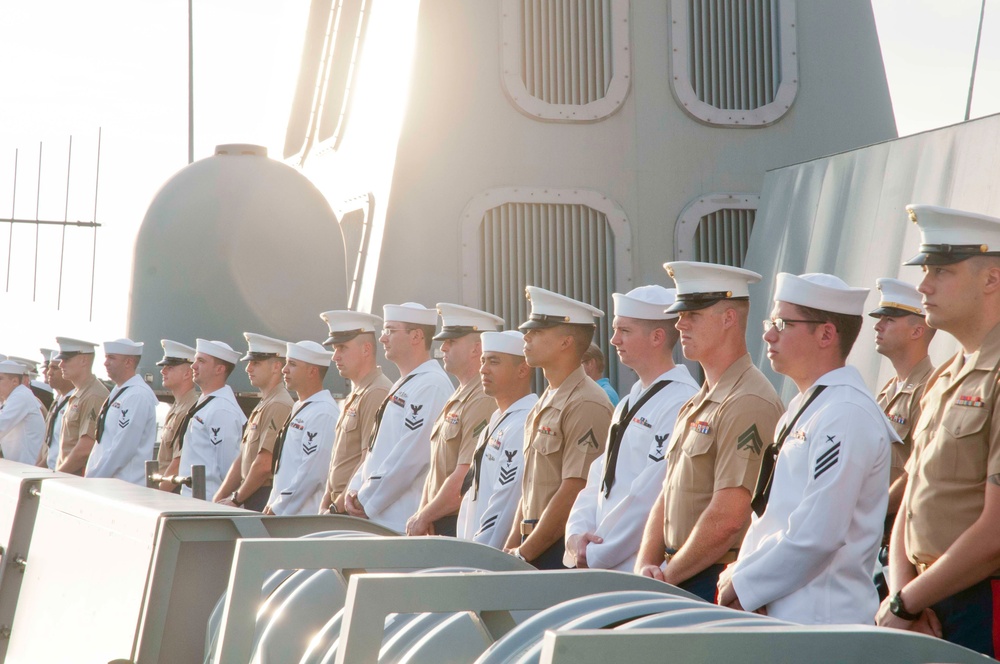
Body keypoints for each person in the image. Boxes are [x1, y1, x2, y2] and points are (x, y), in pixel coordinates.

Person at [717, 272, 895, 624]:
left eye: (783, 323)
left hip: (820, 621)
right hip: (784, 613)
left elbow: (818, 534)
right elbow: (776, 516)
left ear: (826, 334)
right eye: (771, 322)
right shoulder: (808, 408)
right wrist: (742, 572)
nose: (768, 333)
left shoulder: (845, 413)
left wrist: (744, 582)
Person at [876, 204, 1000, 658]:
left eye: (941, 271)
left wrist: (906, 602)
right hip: (923, 599)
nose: (923, 286)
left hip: (982, 602)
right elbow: (910, 505)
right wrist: (901, 596)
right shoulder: (945, 378)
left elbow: (996, 532)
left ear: (991, 279)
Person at [634, 262, 782, 601]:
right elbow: (668, 493)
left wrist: (665, 577)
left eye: (694, 315)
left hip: (712, 579)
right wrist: (646, 564)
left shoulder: (748, 401)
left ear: (729, 318)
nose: (679, 323)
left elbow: (730, 516)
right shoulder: (700, 400)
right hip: (680, 574)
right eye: (680, 314)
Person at [565, 286, 699, 572]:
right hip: (601, 558)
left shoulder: (681, 400)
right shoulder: (629, 400)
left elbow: (650, 495)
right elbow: (599, 475)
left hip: (633, 567)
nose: (614, 340)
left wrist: (597, 554)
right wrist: (576, 534)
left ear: (657, 337)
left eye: (624, 331)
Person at [502, 286, 613, 569]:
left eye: (537, 332)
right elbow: (530, 489)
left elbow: (574, 488)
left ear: (566, 342)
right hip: (534, 546)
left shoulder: (587, 402)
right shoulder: (548, 398)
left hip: (557, 550)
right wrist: (511, 547)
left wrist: (525, 553)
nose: (526, 337)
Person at [345, 303, 453, 532]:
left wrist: (365, 498)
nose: (383, 339)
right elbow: (377, 450)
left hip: (398, 519)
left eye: (391, 331)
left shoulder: (431, 385)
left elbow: (411, 456)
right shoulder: (406, 382)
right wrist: (354, 488)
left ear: (416, 336)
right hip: (379, 515)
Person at [406, 303, 502, 537]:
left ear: (476, 348)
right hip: (440, 520)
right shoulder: (460, 394)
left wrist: (425, 516)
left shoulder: (482, 398)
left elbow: (466, 474)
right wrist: (424, 514)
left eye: (452, 341)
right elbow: (436, 471)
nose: (444, 347)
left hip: (458, 521)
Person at [457, 330, 537, 548]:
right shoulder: (498, 420)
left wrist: (481, 553)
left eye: (494, 362)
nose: (483, 369)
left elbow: (505, 504)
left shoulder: (522, 423)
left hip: (488, 556)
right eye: (483, 361)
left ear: (522, 370)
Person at [870, 278, 935, 525]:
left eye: (889, 320)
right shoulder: (889, 389)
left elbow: (917, 470)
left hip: (896, 526)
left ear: (917, 331)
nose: (878, 326)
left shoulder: (928, 390)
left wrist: (868, 518)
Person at [318, 310, 392, 514]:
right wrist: (327, 500)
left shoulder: (377, 392)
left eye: (342, 347)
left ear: (366, 349)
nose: (335, 356)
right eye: (334, 348)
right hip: (339, 505)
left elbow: (366, 460)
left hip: (351, 507)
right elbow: (339, 460)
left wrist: (336, 508)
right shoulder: (358, 392)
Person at [215, 334, 293, 511]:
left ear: (276, 367)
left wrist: (235, 499)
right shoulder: (265, 403)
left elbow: (264, 465)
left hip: (263, 495)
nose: (248, 369)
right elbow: (243, 458)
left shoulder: (279, 404)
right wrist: (219, 497)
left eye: (256, 363)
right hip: (252, 494)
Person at [263, 341, 339, 515]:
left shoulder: (324, 412)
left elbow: (312, 473)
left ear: (312, 371)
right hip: (285, 513)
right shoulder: (302, 406)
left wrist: (278, 507)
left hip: (300, 517)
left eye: (293, 364)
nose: (284, 369)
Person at [177, 339, 246, 500]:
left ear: (219, 369)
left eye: (201, 361)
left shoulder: (222, 409)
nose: (193, 366)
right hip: (194, 498)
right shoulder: (208, 402)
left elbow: (228, 467)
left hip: (208, 502)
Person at [85, 338, 159, 484]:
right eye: (106, 357)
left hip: (124, 487)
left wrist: (93, 479)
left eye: (112, 358)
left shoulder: (137, 395)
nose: (106, 363)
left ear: (128, 362)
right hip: (109, 484)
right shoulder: (121, 391)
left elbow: (122, 448)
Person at [54, 337, 110, 476]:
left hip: (76, 481)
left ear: (84, 360)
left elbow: (85, 449)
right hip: (69, 479)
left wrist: (56, 476)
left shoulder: (93, 396)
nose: (61, 365)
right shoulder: (80, 393)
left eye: (66, 360)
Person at [154, 340, 198, 492]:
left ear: (188, 373)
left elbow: (179, 462)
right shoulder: (178, 406)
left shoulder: (190, 409)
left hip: (175, 490)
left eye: (170, 367)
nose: (163, 371)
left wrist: (160, 493)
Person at [0, 359, 44, 464]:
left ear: (14, 381)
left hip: (27, 466)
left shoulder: (21, 396)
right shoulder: (11, 397)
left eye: (0, 378)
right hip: (19, 466)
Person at [36, 349, 74, 469]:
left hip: (62, 474)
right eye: (49, 368)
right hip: (49, 470)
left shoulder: (75, 400)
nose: (49, 373)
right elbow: (48, 444)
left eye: (54, 368)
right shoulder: (59, 400)